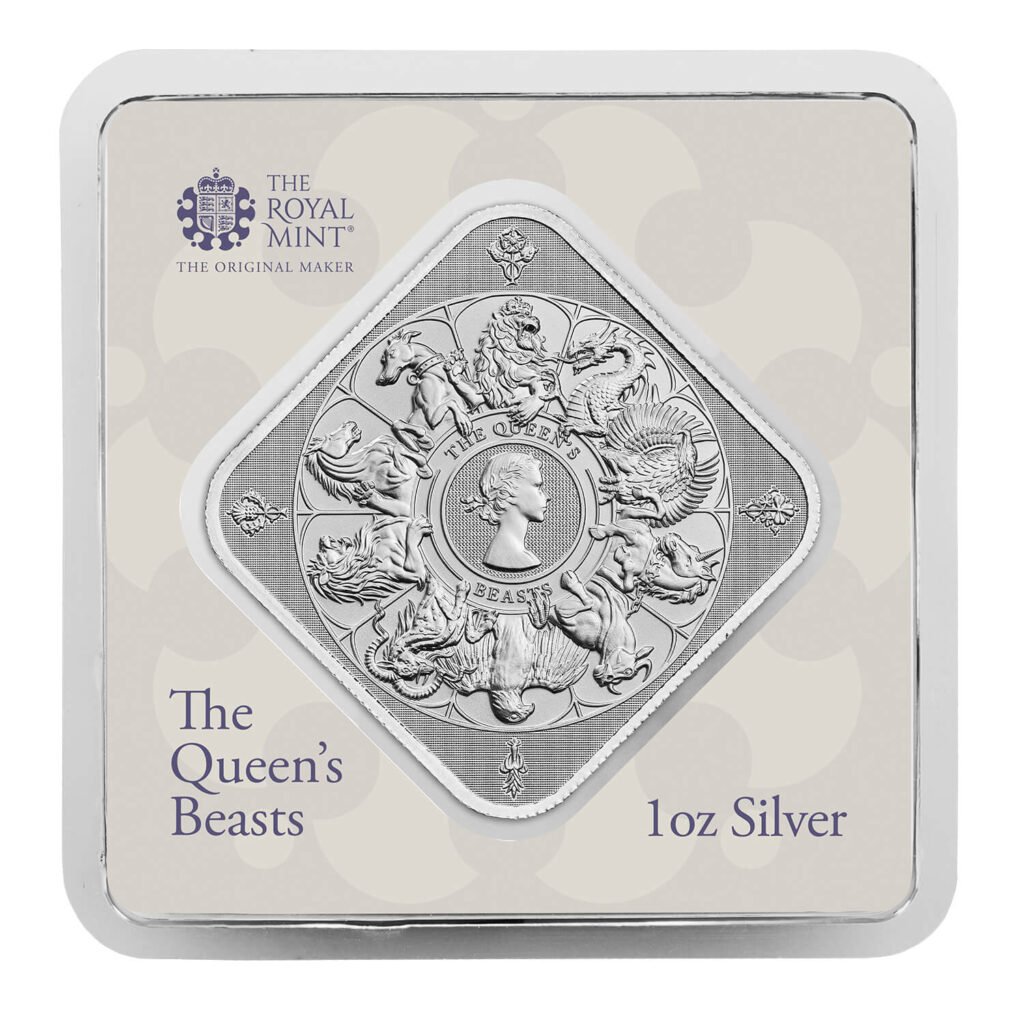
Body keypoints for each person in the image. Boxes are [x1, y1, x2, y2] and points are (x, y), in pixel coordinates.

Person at [463, 451, 548, 570]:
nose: (547, 497)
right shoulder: (514, 557)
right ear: (508, 490)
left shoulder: (525, 556)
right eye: (537, 486)